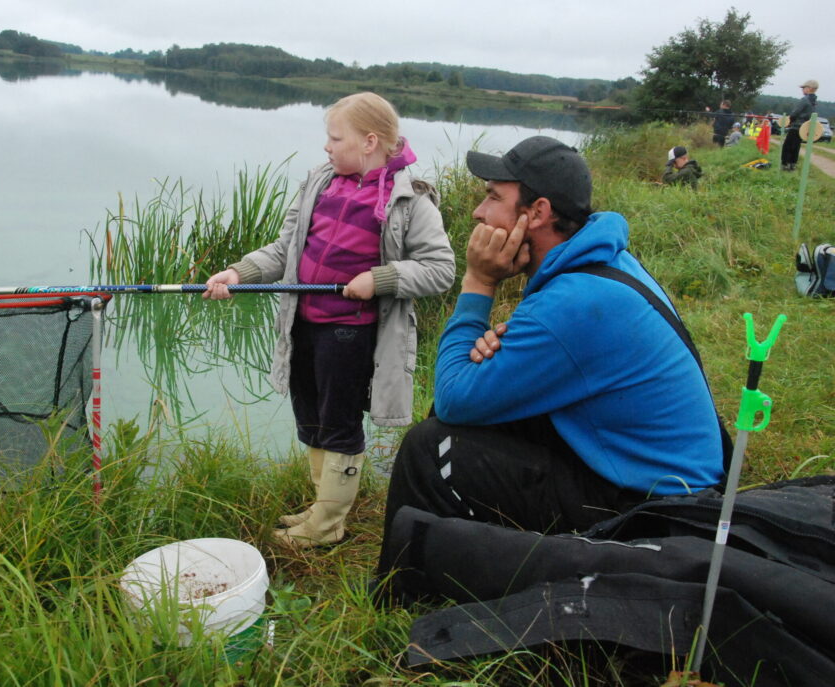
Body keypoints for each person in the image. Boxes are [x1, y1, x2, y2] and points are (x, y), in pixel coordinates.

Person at [375, 136, 726, 580]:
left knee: (431, 446)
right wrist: (490, 366)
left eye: (492, 197)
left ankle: (407, 587)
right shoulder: (602, 263)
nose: (478, 212)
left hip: (653, 511)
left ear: (536, 213)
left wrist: (479, 283)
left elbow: (451, 397)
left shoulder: (575, 300)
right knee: (481, 414)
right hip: (653, 476)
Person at [204, 92, 455, 550]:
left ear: (369, 141)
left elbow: (440, 268)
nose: (326, 147)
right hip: (304, 325)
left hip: (350, 334)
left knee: (338, 426)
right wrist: (240, 272)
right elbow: (284, 250)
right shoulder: (321, 183)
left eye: (335, 138)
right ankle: (323, 506)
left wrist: (377, 279)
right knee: (312, 419)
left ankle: (328, 526)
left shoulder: (410, 201)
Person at [781, 79, 819, 171]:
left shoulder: (804, 100)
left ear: (809, 88)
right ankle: (793, 165)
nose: (802, 90)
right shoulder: (814, 101)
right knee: (796, 146)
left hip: (796, 126)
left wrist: (789, 121)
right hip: (804, 128)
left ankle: (785, 165)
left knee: (788, 146)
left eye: (804, 88)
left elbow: (795, 113)